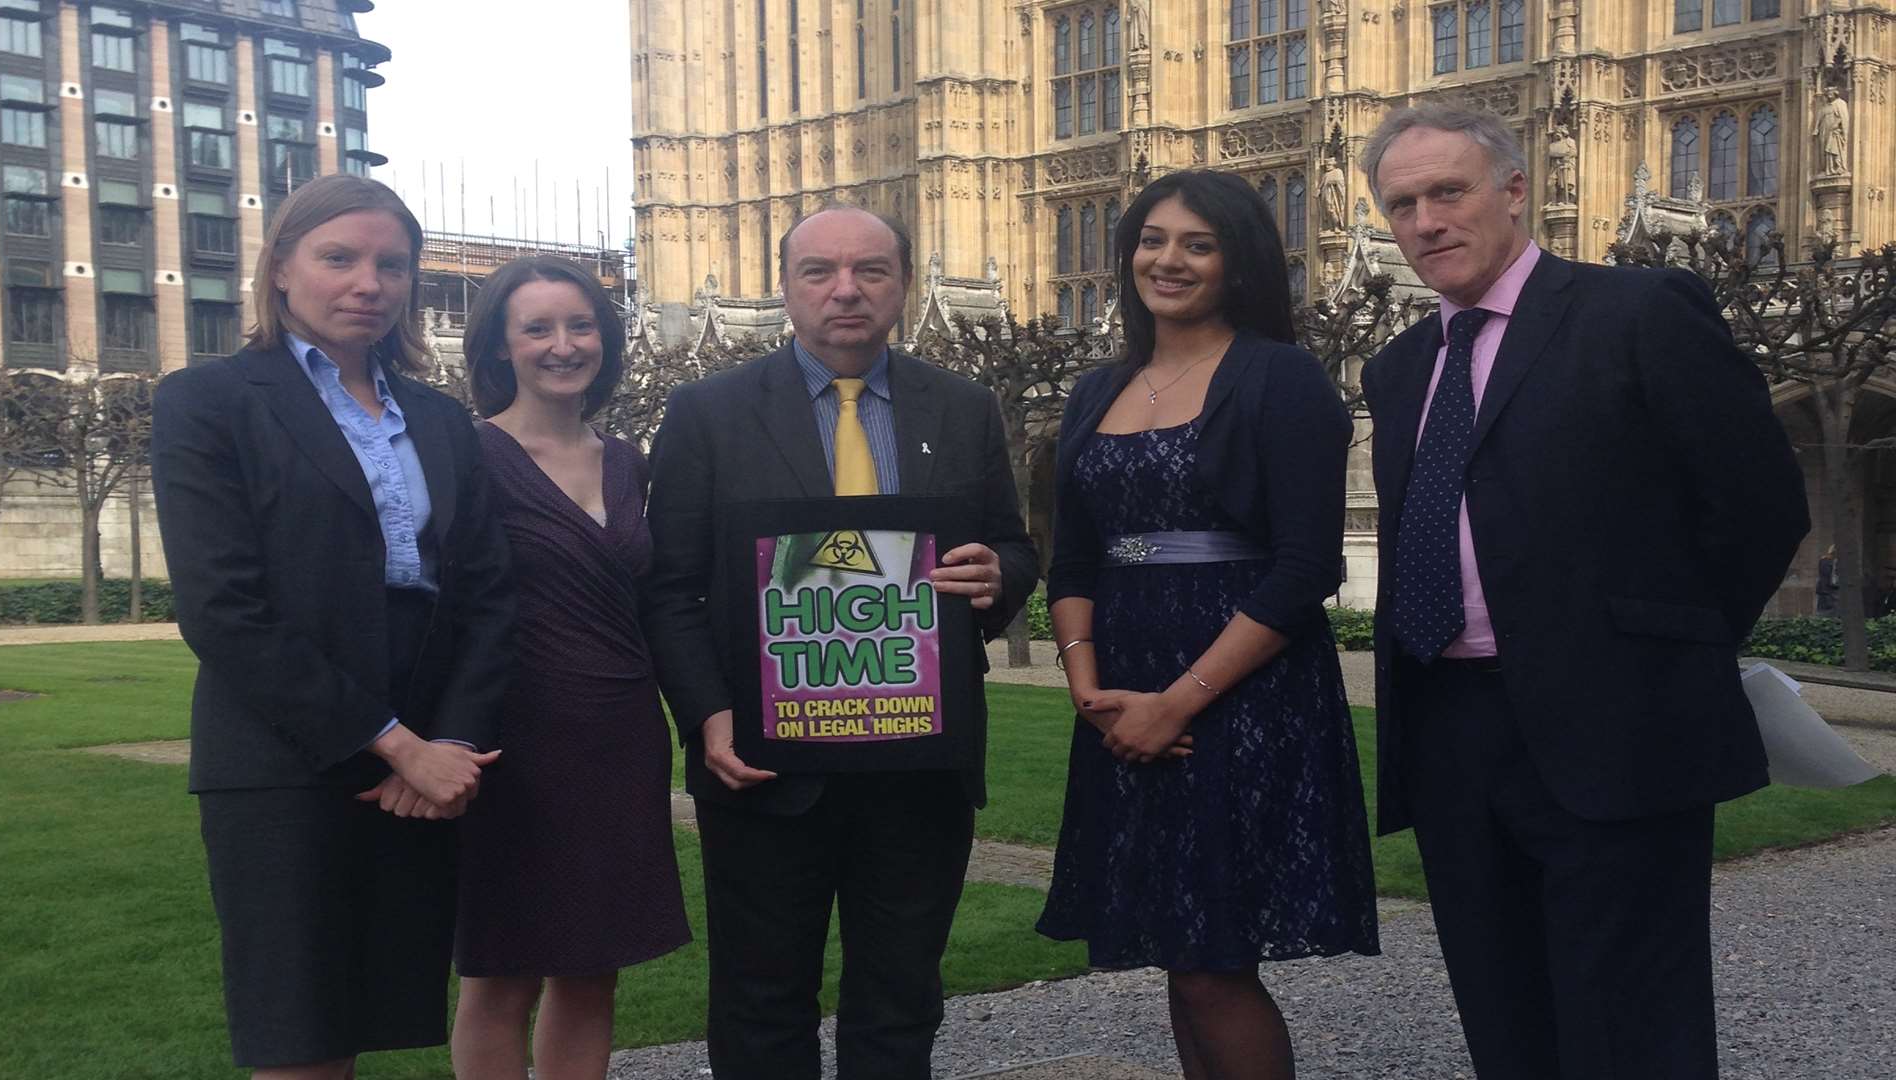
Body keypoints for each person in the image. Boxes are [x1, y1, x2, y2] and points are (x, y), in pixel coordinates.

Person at [1358, 104, 1809, 1078]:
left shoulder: (1637, 310)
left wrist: (1659, 650)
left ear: (1514, 191)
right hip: (1450, 729)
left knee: (1635, 1025)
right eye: (1403, 204)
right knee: (1503, 1014)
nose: (1426, 219)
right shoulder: (1397, 368)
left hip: (1619, 721)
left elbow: (1759, 504)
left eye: (1449, 191)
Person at [643, 205, 1040, 1080]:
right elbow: (669, 588)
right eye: (819, 271)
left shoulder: (964, 406)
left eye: (870, 271)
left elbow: (1012, 546)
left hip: (916, 766)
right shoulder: (707, 412)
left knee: (900, 998)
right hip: (765, 763)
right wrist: (707, 717)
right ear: (786, 287)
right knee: (760, 996)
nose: (846, 291)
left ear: (903, 283)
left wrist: (998, 577)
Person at [150, 174, 518, 1078]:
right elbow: (223, 609)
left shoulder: (438, 419)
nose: (369, 283)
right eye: (339, 258)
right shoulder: (208, 401)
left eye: (392, 265)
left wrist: (450, 745)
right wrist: (392, 745)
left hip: (425, 751)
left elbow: (483, 594)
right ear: (280, 269)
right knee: (299, 1035)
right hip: (283, 757)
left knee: (380, 1006)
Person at [1037, 169, 1380, 1080]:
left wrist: (1178, 702)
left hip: (1240, 689)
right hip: (1122, 687)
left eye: (1198, 243)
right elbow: (1074, 558)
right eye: (1152, 240)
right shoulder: (1093, 391)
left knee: (1213, 960)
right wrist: (1087, 688)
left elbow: (1304, 568)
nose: (1169, 260)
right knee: (1179, 953)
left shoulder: (1281, 378)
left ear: (1239, 263)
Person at [448, 256, 691, 1079]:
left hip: (620, 741)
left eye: (580, 325)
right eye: (538, 328)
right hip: (514, 742)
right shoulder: (468, 456)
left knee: (592, 968)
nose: (563, 344)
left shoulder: (626, 461)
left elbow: (653, 599)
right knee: (501, 973)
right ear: (501, 347)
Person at [1817, 544, 1839, 615]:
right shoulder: (1826, 561)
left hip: (1829, 591)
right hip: (1828, 591)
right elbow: (1827, 576)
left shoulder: (1825, 561)